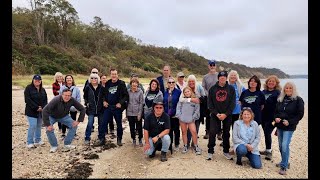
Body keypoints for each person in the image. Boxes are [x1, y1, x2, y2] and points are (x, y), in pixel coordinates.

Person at [274, 82, 304, 175]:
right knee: (280, 145)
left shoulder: (298, 100)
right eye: (286, 88)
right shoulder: (280, 99)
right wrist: (276, 118)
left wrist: (289, 122)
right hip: (280, 126)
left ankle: (284, 166)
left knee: (284, 145)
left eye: (290, 88)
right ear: (284, 89)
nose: (288, 90)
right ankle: (285, 161)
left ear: (293, 89)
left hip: (289, 127)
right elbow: (276, 111)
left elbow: (300, 114)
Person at [42, 89, 86, 153]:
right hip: (52, 116)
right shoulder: (56, 99)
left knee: (74, 126)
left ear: (71, 96)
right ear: (62, 95)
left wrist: (78, 121)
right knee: (49, 129)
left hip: (64, 116)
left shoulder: (72, 100)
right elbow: (44, 110)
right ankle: (54, 145)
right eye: (65, 95)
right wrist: (48, 124)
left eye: (69, 95)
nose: (67, 97)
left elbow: (82, 109)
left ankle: (67, 144)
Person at [206, 71, 236, 160]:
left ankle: (226, 151)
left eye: (224, 77)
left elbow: (232, 103)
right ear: (218, 78)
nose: (222, 78)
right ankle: (210, 151)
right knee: (212, 132)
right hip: (215, 114)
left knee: (226, 133)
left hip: (227, 114)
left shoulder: (231, 89)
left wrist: (226, 114)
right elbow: (210, 104)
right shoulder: (212, 89)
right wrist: (216, 113)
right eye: (220, 77)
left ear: (226, 78)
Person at [102, 68, 129, 146]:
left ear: (117, 75)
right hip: (108, 107)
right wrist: (104, 101)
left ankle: (119, 139)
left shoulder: (121, 83)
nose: (113, 75)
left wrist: (120, 103)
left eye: (115, 74)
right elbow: (104, 95)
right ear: (110, 75)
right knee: (104, 123)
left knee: (119, 124)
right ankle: (102, 139)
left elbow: (126, 96)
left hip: (117, 108)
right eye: (112, 74)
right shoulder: (107, 83)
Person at [180, 75, 205, 148]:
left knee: (196, 127)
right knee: (188, 129)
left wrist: (199, 100)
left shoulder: (199, 87)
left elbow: (204, 97)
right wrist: (190, 99)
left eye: (192, 81)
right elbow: (181, 99)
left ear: (195, 81)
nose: (191, 83)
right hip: (187, 111)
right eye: (190, 81)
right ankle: (187, 143)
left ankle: (194, 143)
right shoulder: (185, 88)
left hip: (197, 110)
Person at [260, 75, 281, 160]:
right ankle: (267, 149)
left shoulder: (278, 93)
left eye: (273, 81)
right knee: (265, 132)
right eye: (269, 81)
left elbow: (280, 105)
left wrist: (279, 117)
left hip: (273, 117)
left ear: (276, 83)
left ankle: (269, 151)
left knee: (267, 132)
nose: (271, 83)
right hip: (263, 116)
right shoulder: (263, 92)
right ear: (267, 82)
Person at [175, 86, 201, 155]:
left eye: (188, 91)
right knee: (184, 132)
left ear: (191, 91)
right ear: (183, 93)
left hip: (191, 119)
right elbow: (178, 108)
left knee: (194, 132)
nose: (187, 93)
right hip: (182, 119)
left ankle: (195, 145)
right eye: (185, 92)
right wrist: (179, 116)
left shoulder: (195, 100)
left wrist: (193, 117)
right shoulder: (182, 100)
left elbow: (197, 110)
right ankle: (185, 145)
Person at [24, 74, 48, 148]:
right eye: (36, 80)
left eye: (39, 80)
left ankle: (37, 140)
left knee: (38, 126)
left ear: (40, 81)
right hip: (31, 111)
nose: (37, 81)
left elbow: (45, 100)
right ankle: (29, 142)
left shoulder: (42, 89)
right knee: (32, 125)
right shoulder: (28, 88)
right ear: (33, 80)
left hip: (40, 111)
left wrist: (43, 108)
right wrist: (36, 107)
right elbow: (27, 100)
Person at [83, 73, 105, 145]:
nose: (93, 79)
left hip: (100, 109)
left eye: (95, 78)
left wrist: (104, 102)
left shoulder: (101, 87)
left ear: (98, 79)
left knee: (101, 124)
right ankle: (87, 138)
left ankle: (101, 137)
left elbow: (104, 96)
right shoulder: (87, 87)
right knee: (90, 123)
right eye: (92, 78)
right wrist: (87, 103)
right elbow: (85, 97)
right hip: (91, 109)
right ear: (90, 79)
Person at [59, 75, 81, 140]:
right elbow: (60, 97)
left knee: (73, 120)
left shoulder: (76, 88)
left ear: (72, 79)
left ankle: (73, 133)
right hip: (64, 106)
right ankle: (63, 133)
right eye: (67, 78)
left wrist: (76, 106)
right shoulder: (62, 88)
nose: (69, 79)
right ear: (65, 80)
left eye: (70, 78)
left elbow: (78, 98)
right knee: (64, 119)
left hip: (73, 107)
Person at [202, 60, 219, 140]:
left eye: (213, 65)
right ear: (208, 66)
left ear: (215, 66)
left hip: (219, 99)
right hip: (208, 99)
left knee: (218, 115)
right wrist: (208, 94)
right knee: (208, 116)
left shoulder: (219, 75)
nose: (212, 66)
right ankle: (207, 132)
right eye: (210, 65)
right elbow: (203, 87)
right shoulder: (205, 77)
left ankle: (219, 132)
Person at [163, 77, 181, 151]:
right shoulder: (165, 92)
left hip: (175, 115)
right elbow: (163, 102)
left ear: (175, 83)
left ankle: (176, 144)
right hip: (167, 114)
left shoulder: (178, 92)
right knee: (168, 130)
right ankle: (169, 144)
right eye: (169, 82)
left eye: (173, 82)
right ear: (167, 84)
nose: (171, 84)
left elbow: (181, 103)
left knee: (176, 130)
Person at [126, 78, 144, 147]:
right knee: (131, 127)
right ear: (130, 84)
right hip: (130, 112)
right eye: (132, 82)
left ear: (137, 84)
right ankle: (133, 139)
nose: (134, 84)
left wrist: (139, 113)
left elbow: (141, 103)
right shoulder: (128, 91)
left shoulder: (140, 92)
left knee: (139, 127)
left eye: (135, 82)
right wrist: (126, 113)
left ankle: (140, 139)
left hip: (137, 112)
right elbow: (126, 103)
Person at [83, 68, 99, 133]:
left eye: (96, 72)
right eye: (93, 72)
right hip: (91, 104)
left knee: (100, 120)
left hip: (98, 105)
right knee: (90, 120)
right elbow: (85, 92)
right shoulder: (88, 81)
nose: (94, 73)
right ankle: (91, 129)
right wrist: (86, 102)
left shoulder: (98, 80)